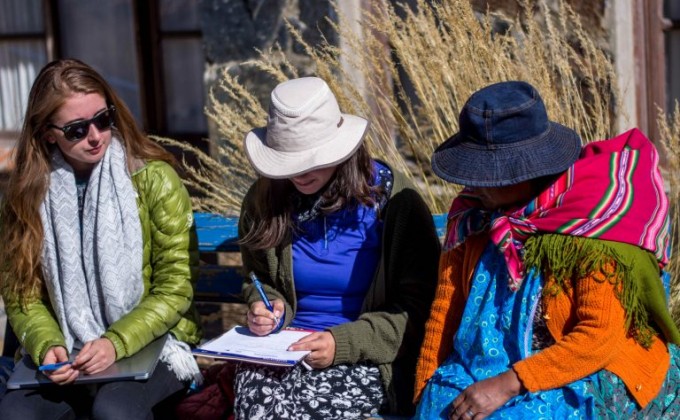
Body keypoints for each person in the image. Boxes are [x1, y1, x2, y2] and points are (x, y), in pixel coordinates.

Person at [413, 80, 680, 419]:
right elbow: (444, 312)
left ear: (529, 171)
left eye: (486, 175)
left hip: (580, 367)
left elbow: (599, 338)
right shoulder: (473, 215)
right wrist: (422, 396)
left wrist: (509, 383)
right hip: (484, 366)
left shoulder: (592, 226)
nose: (473, 184)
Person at [0, 58, 202, 419]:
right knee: (17, 412)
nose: (95, 136)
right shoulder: (25, 196)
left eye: (103, 119)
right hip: (68, 348)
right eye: (76, 130)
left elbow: (175, 287)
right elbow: (22, 294)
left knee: (114, 409)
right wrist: (48, 345)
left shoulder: (153, 179)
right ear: (48, 132)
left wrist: (115, 341)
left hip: (154, 342)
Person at [234, 76, 440, 418]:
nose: (298, 174)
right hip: (283, 348)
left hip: (366, 354)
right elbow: (260, 279)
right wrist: (268, 308)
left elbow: (418, 312)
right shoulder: (265, 199)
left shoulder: (395, 203)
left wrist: (341, 344)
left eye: (310, 160)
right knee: (256, 406)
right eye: (289, 161)